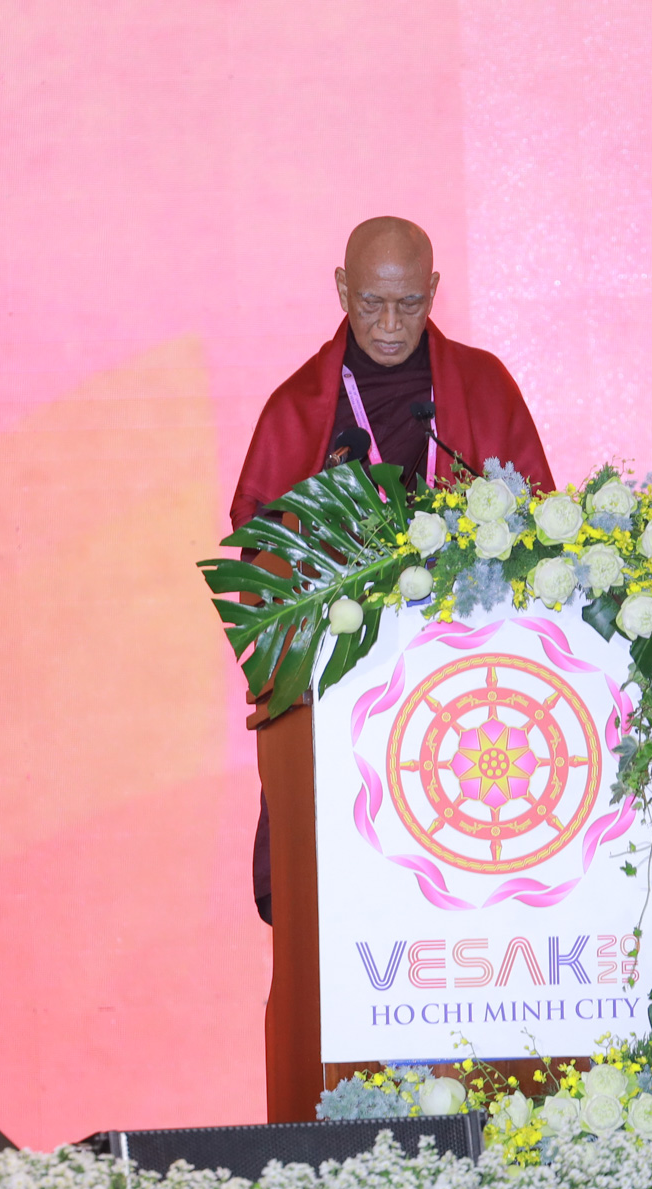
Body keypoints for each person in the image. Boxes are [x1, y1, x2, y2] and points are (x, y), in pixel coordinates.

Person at [233, 216, 555, 922]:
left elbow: (542, 533)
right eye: (371, 302)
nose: (388, 324)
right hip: (345, 693)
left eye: (409, 304)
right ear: (341, 289)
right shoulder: (298, 407)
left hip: (469, 697)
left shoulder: (484, 385)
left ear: (434, 291)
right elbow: (260, 567)